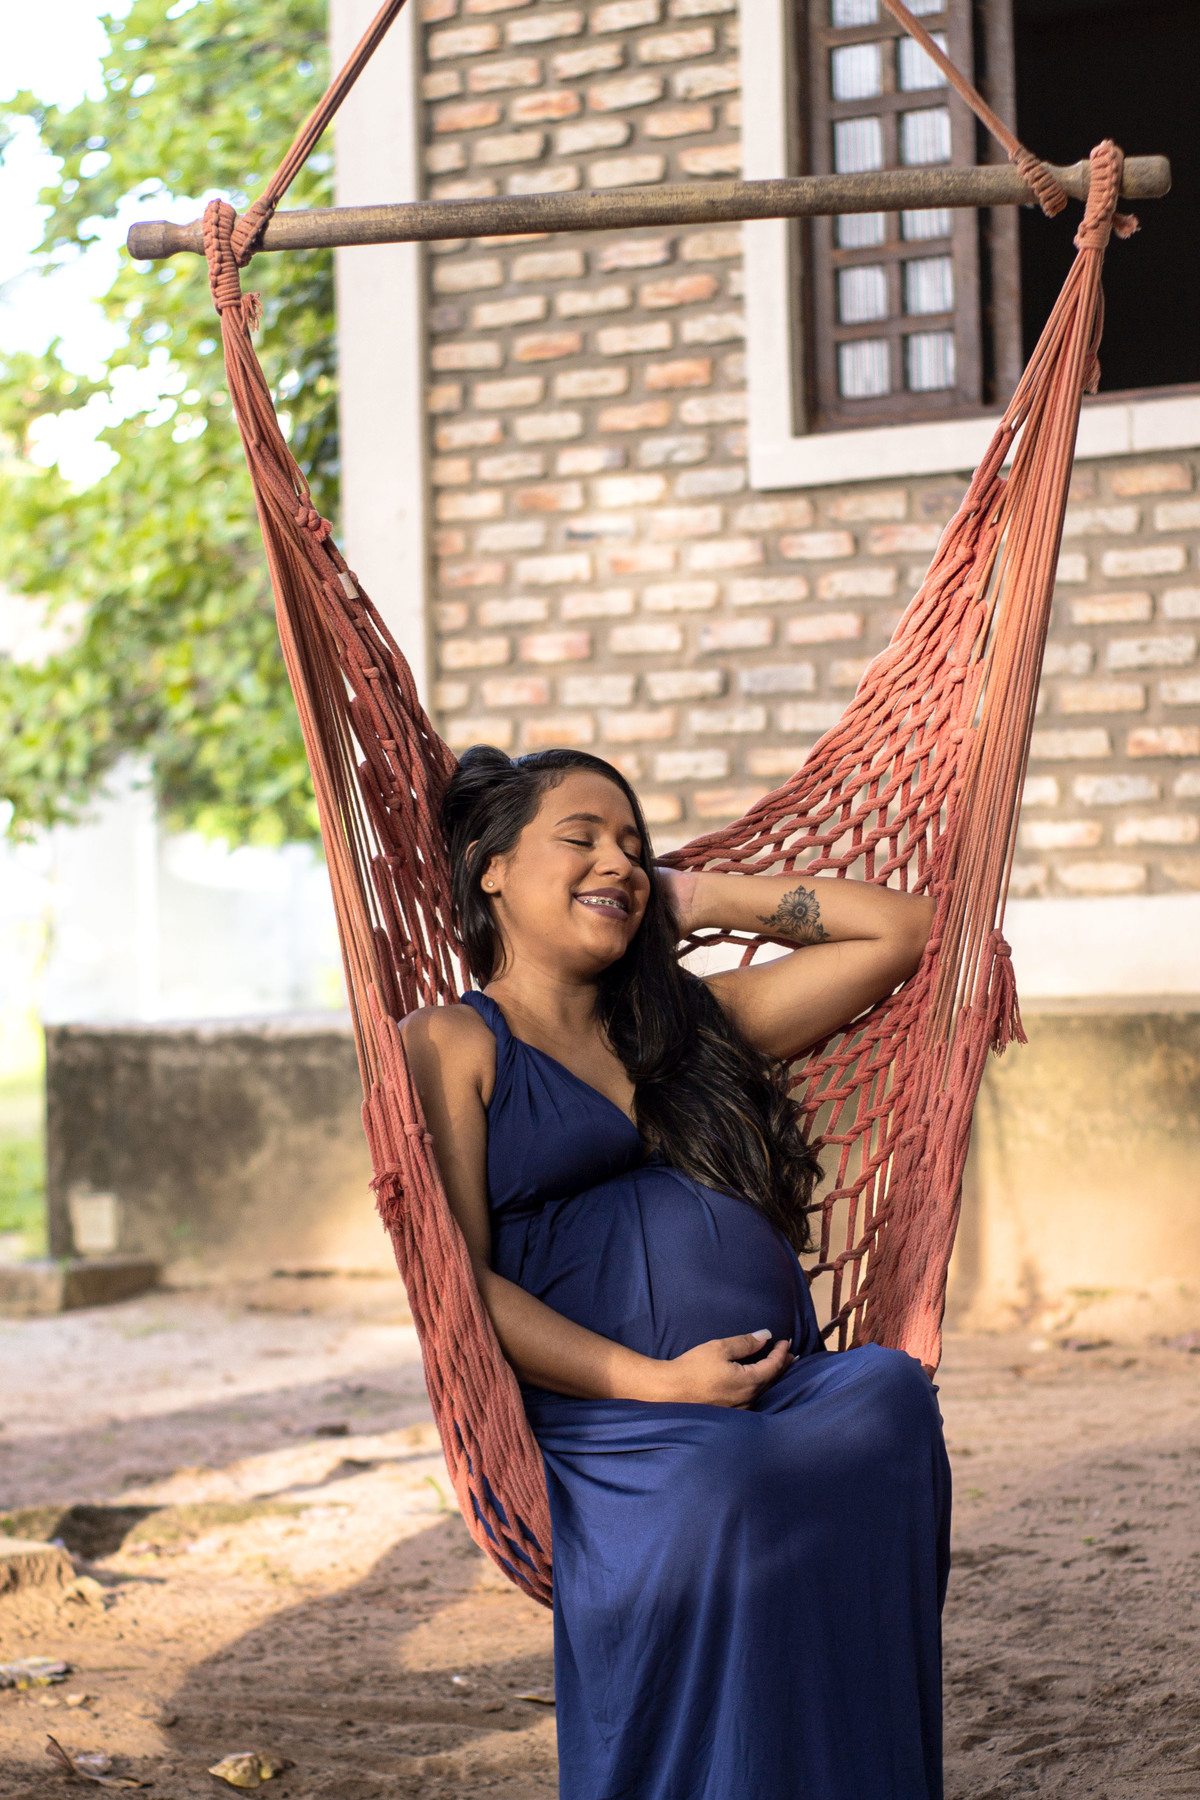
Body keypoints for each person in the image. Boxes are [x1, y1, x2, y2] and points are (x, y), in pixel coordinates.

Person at [402, 744, 950, 1800]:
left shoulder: (690, 1027)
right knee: (723, 1479)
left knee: (888, 1395)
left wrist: (690, 897)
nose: (616, 861)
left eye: (632, 845)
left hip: (778, 1385)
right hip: (612, 1419)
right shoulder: (451, 1043)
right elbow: (457, 1287)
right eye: (581, 839)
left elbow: (909, 933)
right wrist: (657, 1382)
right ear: (490, 869)